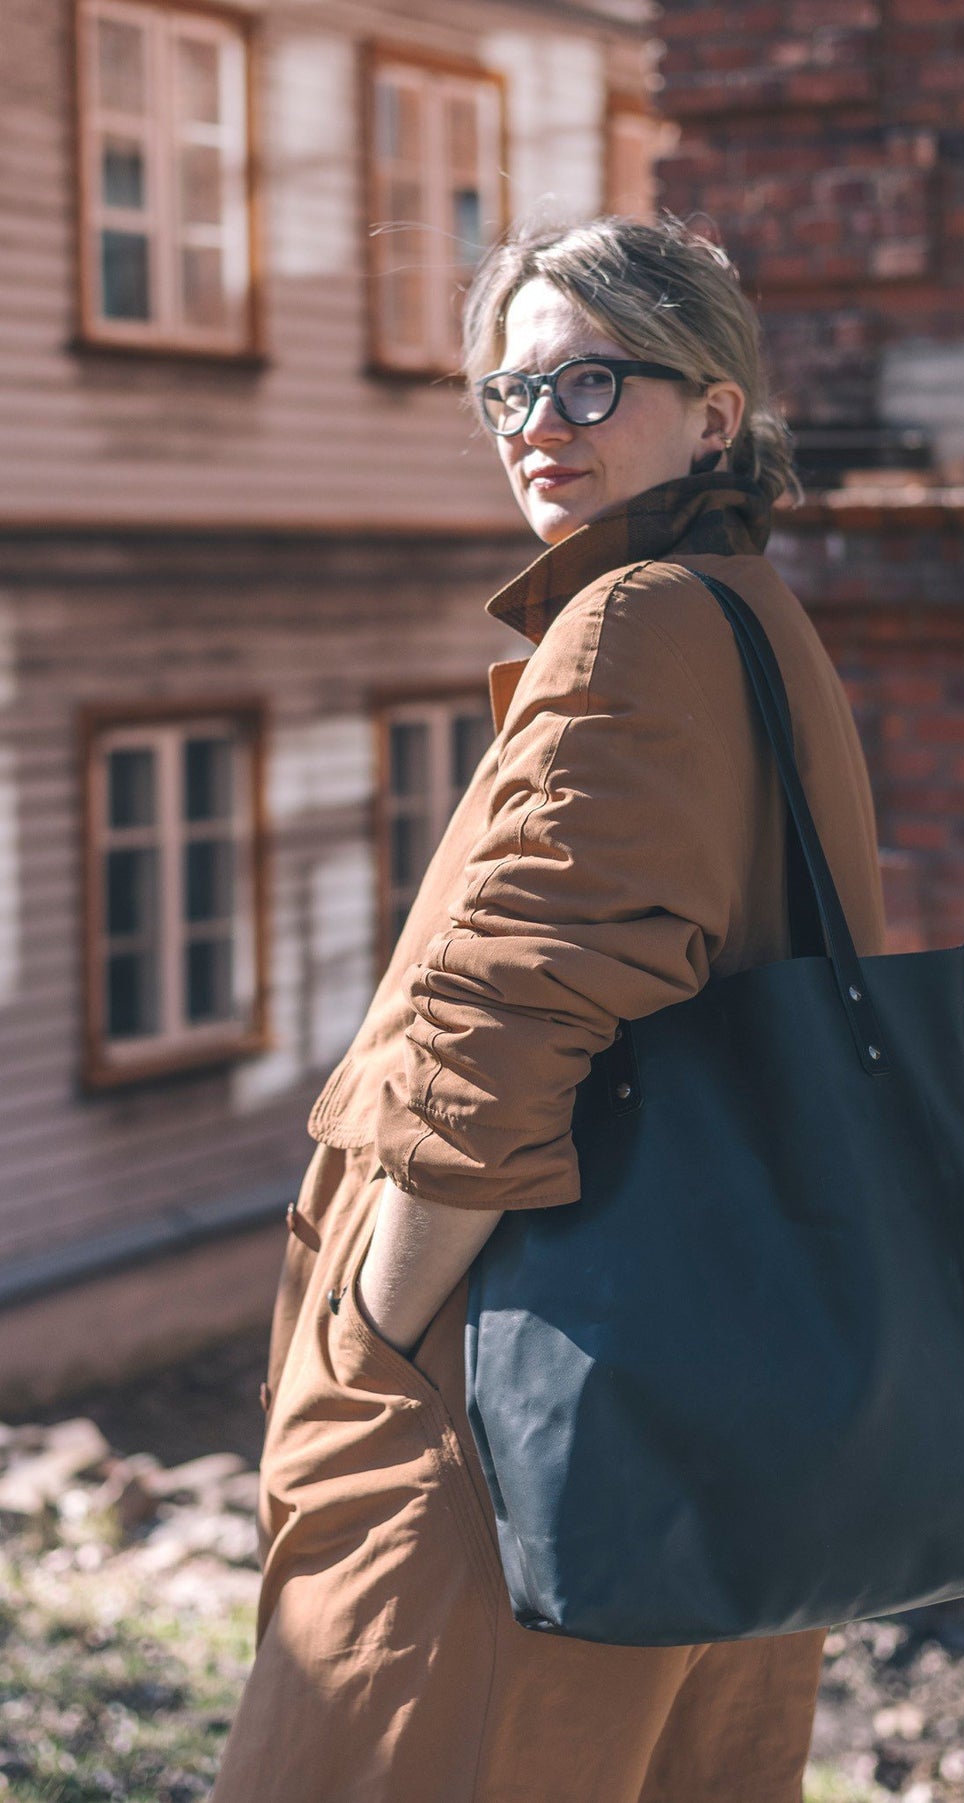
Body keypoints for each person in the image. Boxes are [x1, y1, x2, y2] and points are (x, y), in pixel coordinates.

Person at [211, 214, 886, 1803]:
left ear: (717, 411)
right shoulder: (758, 627)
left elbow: (517, 1008)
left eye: (590, 385)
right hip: (695, 1397)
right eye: (510, 395)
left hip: (503, 1414)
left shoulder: (641, 619)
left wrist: (377, 1321)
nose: (537, 431)